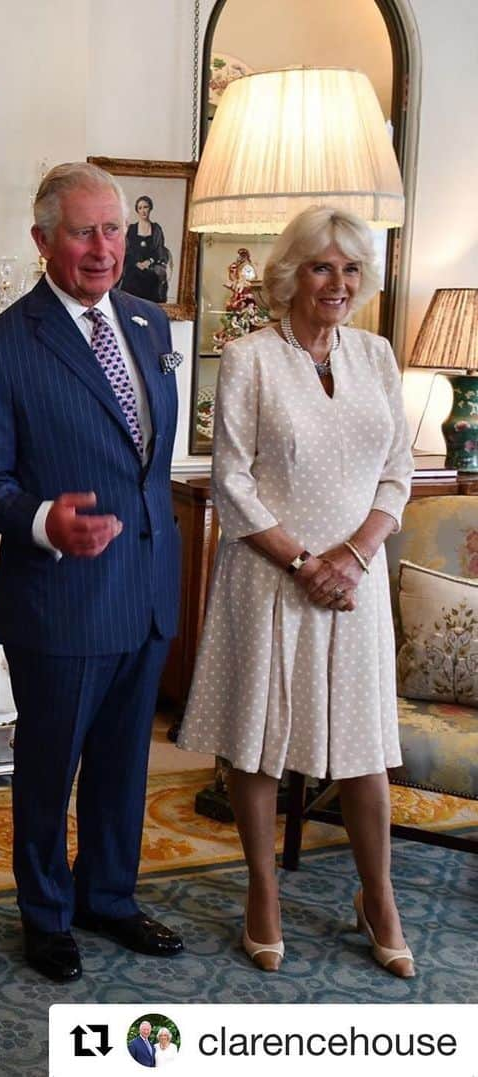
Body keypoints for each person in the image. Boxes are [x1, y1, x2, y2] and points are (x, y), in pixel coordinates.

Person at [0, 163, 184, 984]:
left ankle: (110, 899)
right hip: (60, 599)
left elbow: (147, 461)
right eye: (84, 231)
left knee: (126, 765)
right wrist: (47, 520)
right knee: (49, 770)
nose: (103, 249)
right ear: (43, 240)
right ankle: (46, 913)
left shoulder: (151, 325)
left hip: (149, 585)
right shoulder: (5, 344)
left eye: (113, 230)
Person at [178, 205, 415, 978]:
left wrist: (351, 556)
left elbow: (397, 474)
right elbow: (232, 477)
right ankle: (262, 890)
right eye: (322, 267)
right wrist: (305, 560)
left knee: (363, 750)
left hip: (357, 581)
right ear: (291, 275)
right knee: (260, 741)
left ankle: (377, 895)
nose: (338, 283)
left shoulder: (378, 356)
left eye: (350, 269)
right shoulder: (249, 357)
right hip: (270, 577)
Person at [121, 195, 169, 303]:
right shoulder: (132, 229)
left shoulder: (156, 229)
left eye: (145, 207)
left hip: (150, 267)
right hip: (134, 266)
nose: (143, 211)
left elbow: (159, 250)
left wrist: (149, 261)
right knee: (130, 279)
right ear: (137, 210)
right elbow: (127, 250)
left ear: (150, 208)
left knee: (153, 278)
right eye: (140, 208)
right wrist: (136, 263)